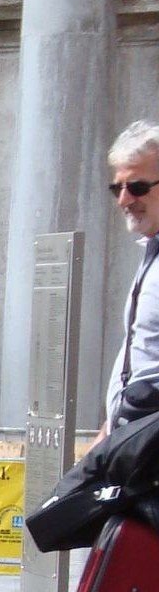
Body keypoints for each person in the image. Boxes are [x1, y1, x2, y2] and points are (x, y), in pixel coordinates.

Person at [104, 118, 159, 431]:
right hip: (131, 450)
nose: (124, 200)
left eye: (137, 187)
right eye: (118, 188)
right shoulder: (150, 254)